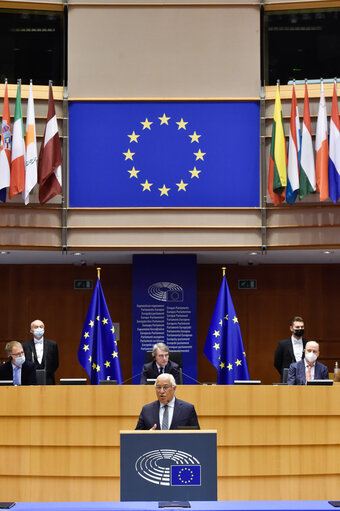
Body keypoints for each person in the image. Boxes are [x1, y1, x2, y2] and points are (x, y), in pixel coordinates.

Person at [135, 373, 200, 430]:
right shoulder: (146, 410)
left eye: (165, 387)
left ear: (174, 388)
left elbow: (196, 436)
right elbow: (136, 437)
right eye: (158, 387)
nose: (161, 391)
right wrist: (146, 435)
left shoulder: (187, 409)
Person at [23, 319, 59, 385]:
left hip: (48, 381)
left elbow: (55, 363)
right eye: (36, 327)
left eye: (41, 327)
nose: (39, 329)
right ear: (31, 330)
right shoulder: (24, 346)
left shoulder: (52, 344)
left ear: (44, 329)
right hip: (30, 381)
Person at [274, 316, 307, 382]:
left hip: (304, 379)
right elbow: (277, 363)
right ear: (291, 328)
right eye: (297, 327)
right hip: (287, 379)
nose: (300, 329)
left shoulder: (308, 343)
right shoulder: (283, 344)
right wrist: (286, 373)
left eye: (302, 327)